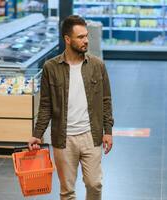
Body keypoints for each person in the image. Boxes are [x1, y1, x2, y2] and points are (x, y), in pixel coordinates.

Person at [28, 15, 114, 200]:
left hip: (91, 135)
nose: (86, 40)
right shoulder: (51, 67)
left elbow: (106, 100)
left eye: (86, 36)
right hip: (63, 139)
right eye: (80, 37)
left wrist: (108, 130)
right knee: (67, 191)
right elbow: (45, 105)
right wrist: (37, 134)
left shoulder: (97, 65)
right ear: (67, 39)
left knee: (94, 184)